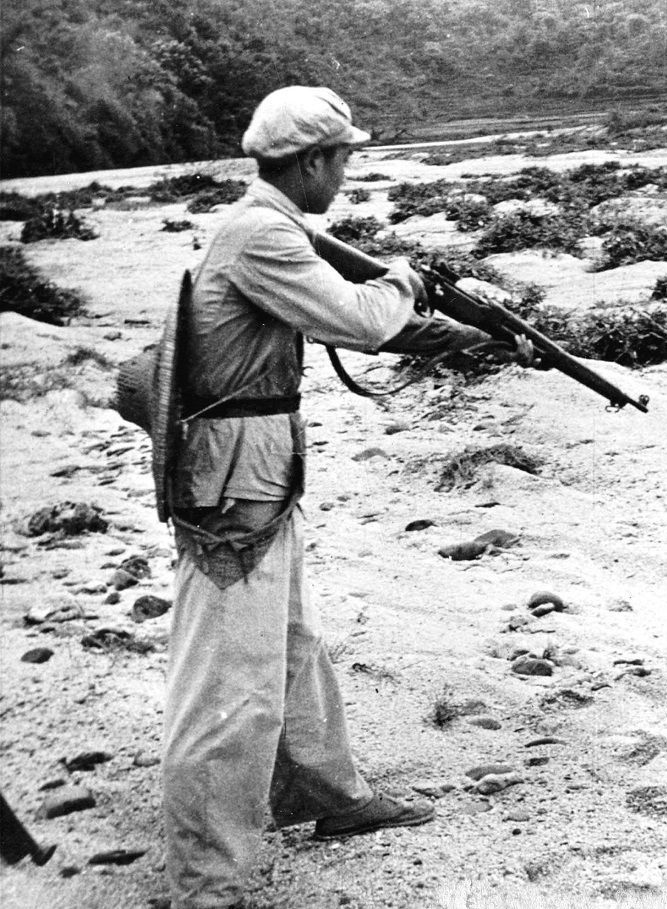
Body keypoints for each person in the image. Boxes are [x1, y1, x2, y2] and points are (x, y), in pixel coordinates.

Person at [161, 86, 520, 909]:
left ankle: (328, 794)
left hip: (256, 473)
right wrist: (403, 280)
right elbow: (357, 321)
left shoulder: (273, 230)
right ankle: (211, 882)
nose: (347, 174)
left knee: (293, 645)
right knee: (226, 686)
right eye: (344, 159)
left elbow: (339, 320)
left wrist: (474, 335)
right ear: (315, 161)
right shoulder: (261, 236)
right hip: (232, 484)